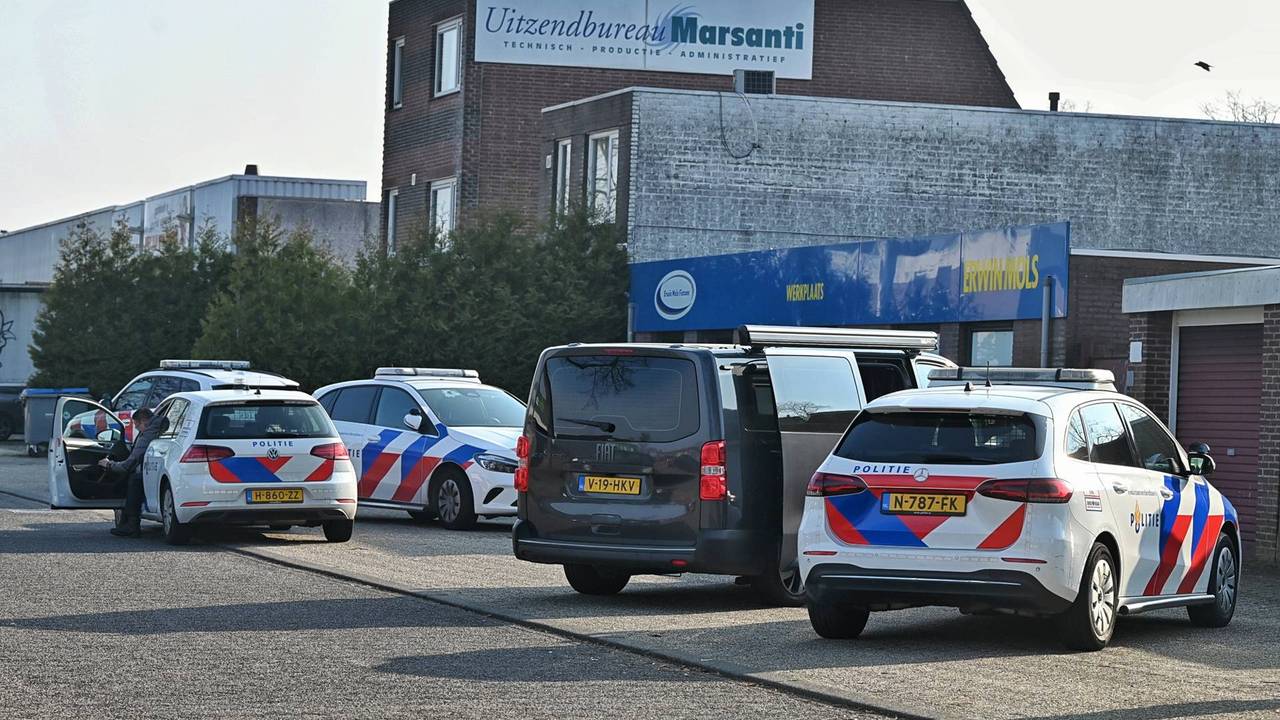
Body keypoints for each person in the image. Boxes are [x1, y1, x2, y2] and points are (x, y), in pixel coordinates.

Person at [99, 408, 168, 538]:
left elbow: (129, 463)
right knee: (133, 477)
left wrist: (109, 465)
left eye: (137, 425)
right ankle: (129, 523)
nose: (136, 429)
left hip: (149, 471)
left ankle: (132, 525)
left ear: (143, 421)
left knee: (134, 479)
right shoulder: (158, 427)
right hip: (156, 470)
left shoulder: (148, 434)